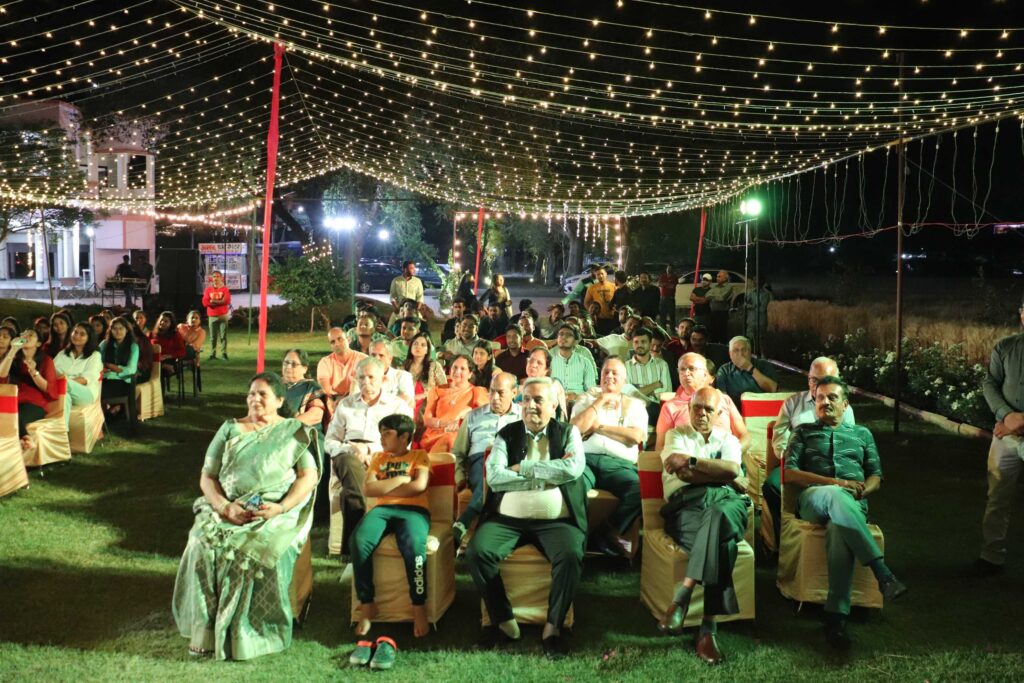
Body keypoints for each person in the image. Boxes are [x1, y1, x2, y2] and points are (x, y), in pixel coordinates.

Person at [172, 372, 320, 660]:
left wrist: (281, 507)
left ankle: (248, 633)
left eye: (263, 394)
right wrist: (224, 507)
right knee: (201, 542)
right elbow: (207, 476)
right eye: (252, 393)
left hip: (273, 510)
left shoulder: (292, 431)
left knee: (259, 550)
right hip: (228, 507)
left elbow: (309, 476)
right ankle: (205, 631)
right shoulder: (230, 429)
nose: (255, 399)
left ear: (279, 400)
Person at [466, 377, 587, 660]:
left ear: (554, 405)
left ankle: (553, 628)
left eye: (538, 400)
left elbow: (572, 469)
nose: (530, 405)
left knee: (571, 554)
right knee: (477, 552)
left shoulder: (569, 432)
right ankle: (504, 621)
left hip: (557, 520)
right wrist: (547, 475)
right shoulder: (506, 434)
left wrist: (524, 468)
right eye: (526, 399)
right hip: (507, 519)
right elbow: (495, 477)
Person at [784, 376, 908, 650]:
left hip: (853, 503)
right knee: (835, 494)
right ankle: (882, 572)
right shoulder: (802, 432)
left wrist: (862, 492)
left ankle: (836, 618)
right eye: (820, 398)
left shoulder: (862, 434)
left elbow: (875, 475)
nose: (825, 402)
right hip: (814, 499)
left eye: (832, 397)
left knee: (838, 528)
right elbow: (789, 473)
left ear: (845, 404)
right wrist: (837, 483)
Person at [657, 387, 750, 665]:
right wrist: (722, 475)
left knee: (719, 513)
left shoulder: (729, 438)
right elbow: (685, 475)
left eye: (709, 409)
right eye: (697, 407)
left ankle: (682, 596)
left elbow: (732, 469)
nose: (702, 413)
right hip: (687, 506)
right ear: (689, 409)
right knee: (724, 542)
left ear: (719, 413)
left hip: (728, 503)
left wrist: (693, 461)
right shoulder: (676, 436)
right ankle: (708, 628)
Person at [351, 413, 433, 642]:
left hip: (414, 511)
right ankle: (367, 603)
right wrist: (400, 480)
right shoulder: (378, 458)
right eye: (381, 434)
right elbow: (369, 490)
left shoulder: (419, 456)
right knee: (358, 540)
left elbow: (419, 486)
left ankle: (419, 605)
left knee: (415, 547)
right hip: (382, 511)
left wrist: (385, 486)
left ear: (404, 436)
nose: (382, 438)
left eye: (387, 434)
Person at [325, 358, 413, 555]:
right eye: (362, 377)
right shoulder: (346, 405)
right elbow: (329, 441)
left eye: (371, 377)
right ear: (356, 379)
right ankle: (360, 546)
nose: (366, 382)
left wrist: (369, 450)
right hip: (347, 454)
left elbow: (404, 442)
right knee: (349, 464)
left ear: (383, 379)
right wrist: (352, 450)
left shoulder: (397, 406)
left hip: (383, 455)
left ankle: (352, 549)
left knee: (350, 491)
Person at [765, 357, 855, 551]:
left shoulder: (844, 408)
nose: (818, 385)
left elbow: (848, 443)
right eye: (814, 380)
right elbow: (779, 436)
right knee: (772, 486)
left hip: (829, 466)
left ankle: (827, 538)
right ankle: (784, 543)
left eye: (826, 380)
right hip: (795, 464)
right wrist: (791, 458)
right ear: (808, 380)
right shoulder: (793, 403)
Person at [570, 357, 647, 556]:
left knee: (639, 488)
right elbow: (575, 429)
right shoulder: (586, 399)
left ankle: (605, 532)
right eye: (606, 372)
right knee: (572, 485)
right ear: (600, 376)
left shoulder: (635, 405)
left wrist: (598, 427)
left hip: (619, 465)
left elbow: (635, 436)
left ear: (624, 380)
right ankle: (577, 537)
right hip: (586, 460)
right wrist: (601, 400)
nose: (610, 376)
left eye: (615, 373)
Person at [978, 302, 1024, 577]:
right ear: (1021, 315)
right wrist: (1006, 415)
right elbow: (990, 383)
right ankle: (991, 556)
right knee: (997, 496)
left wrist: (1018, 422)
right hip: (1006, 437)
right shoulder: (1005, 347)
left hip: (1008, 430)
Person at [452, 373, 522, 546]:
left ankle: (464, 522)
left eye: (501, 393)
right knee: (490, 472)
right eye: (492, 391)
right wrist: (459, 476)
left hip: (509, 464)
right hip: (480, 461)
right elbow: (458, 452)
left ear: (514, 393)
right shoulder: (473, 416)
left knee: (498, 475)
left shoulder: (523, 416)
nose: (495, 397)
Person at [655, 353, 749, 453]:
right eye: (682, 369)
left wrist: (731, 453)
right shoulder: (670, 406)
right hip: (688, 459)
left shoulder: (724, 400)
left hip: (725, 457)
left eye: (691, 368)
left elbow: (744, 436)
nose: (686, 373)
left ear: (705, 374)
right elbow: (660, 447)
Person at [421, 355, 488, 453]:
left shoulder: (477, 392)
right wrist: (445, 423)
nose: (457, 371)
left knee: (450, 438)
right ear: (450, 370)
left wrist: (463, 419)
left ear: (470, 374)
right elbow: (427, 420)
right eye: (455, 367)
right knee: (448, 438)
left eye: (462, 369)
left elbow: (485, 418)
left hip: (461, 435)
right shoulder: (437, 390)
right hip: (434, 435)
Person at [5, 329, 59, 449]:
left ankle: (24, 438)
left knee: (14, 416)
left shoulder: (46, 360)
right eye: (23, 334)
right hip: (14, 398)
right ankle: (25, 439)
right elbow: (2, 377)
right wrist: (12, 350)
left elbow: (49, 389)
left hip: (34, 403)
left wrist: (34, 371)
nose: (26, 336)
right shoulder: (14, 359)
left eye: (31, 335)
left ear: (38, 343)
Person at [714, 336, 779, 410]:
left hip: (763, 410)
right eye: (736, 350)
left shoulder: (764, 365)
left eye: (744, 350)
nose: (740, 354)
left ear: (750, 352)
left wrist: (750, 368)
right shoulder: (724, 371)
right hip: (735, 411)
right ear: (730, 354)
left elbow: (773, 389)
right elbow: (723, 399)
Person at [624, 326, 673, 424]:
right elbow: (628, 395)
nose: (639, 345)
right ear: (632, 344)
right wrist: (655, 385)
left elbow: (666, 393)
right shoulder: (625, 367)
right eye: (636, 342)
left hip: (657, 409)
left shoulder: (662, 365)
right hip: (634, 409)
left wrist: (638, 390)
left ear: (650, 344)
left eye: (643, 342)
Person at [317, 327, 368, 415]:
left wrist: (344, 400)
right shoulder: (325, 362)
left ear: (348, 339)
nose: (337, 344)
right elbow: (325, 386)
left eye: (340, 339)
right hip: (333, 400)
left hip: (358, 402)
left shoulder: (363, 359)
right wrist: (334, 400)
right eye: (333, 342)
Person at [53, 323, 102, 414]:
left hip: (86, 392)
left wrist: (63, 382)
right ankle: (63, 424)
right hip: (62, 390)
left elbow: (86, 379)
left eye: (82, 334)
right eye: (75, 332)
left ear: (89, 338)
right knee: (65, 397)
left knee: (63, 385)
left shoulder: (95, 355)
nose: (76, 336)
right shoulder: (62, 353)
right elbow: (52, 371)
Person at [403, 332, 447, 420]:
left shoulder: (434, 366)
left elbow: (444, 389)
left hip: (427, 406)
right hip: (406, 404)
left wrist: (423, 396)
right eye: (415, 344)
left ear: (427, 350)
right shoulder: (403, 366)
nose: (418, 347)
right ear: (411, 347)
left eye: (423, 345)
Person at [99, 317, 139, 416]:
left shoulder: (133, 346)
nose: (118, 331)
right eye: (115, 329)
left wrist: (110, 366)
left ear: (127, 330)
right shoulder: (104, 344)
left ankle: (104, 415)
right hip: (104, 378)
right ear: (111, 330)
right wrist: (102, 367)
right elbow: (96, 361)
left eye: (121, 328)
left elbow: (131, 369)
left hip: (123, 382)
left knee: (99, 391)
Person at [549, 323, 598, 404]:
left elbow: (591, 390)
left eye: (569, 335)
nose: (563, 337)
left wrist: (577, 396)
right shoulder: (550, 361)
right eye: (561, 334)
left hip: (579, 402)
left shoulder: (584, 362)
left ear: (575, 341)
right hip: (555, 402)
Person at [281, 349, 326, 431]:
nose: (288, 367)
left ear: (304, 369)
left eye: (294, 364)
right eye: (286, 363)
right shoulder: (273, 385)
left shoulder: (312, 388)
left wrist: (287, 428)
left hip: (302, 432)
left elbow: (316, 415)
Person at [519, 347, 568, 419]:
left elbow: (560, 416)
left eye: (539, 363)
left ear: (546, 369)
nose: (533, 365)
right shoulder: (518, 385)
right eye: (531, 361)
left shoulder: (553, 385)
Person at [366, 340, 415, 411]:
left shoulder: (402, 376)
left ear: (390, 359)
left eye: (381, 355)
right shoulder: (362, 377)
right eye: (373, 355)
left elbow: (408, 402)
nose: (376, 358)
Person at [202, 270, 231, 360]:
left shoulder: (225, 289)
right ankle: (212, 354)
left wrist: (213, 301)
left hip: (223, 315)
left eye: (218, 276)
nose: (216, 278)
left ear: (221, 278)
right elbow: (205, 302)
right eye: (214, 276)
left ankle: (224, 353)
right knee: (213, 337)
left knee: (223, 336)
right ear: (212, 278)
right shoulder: (208, 290)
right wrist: (219, 302)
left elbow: (226, 301)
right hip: (212, 316)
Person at [150, 311, 186, 381]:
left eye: (166, 321)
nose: (162, 322)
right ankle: (163, 366)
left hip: (168, 360)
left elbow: (182, 351)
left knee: (158, 370)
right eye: (161, 320)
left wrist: (167, 356)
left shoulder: (175, 335)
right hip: (154, 359)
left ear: (171, 324)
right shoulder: (152, 334)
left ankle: (164, 366)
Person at [744, 275, 773, 355]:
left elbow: (771, 305)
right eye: (755, 280)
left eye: (758, 280)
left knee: (761, 338)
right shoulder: (750, 293)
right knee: (750, 338)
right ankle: (749, 354)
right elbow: (745, 304)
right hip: (751, 319)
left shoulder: (767, 294)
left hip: (761, 319)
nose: (756, 282)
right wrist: (751, 306)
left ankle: (762, 354)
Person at [584, 267, 617, 335]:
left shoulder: (613, 286)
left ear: (606, 274)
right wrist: (592, 313)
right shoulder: (592, 288)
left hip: (612, 318)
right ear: (595, 276)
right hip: (599, 319)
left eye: (602, 273)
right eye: (598, 274)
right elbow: (586, 302)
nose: (600, 276)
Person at [705, 271, 733, 342]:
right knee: (713, 335)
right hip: (713, 313)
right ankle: (714, 347)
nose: (717, 278)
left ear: (725, 278)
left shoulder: (729, 287)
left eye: (719, 276)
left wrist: (712, 296)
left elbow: (722, 297)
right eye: (717, 276)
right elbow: (707, 295)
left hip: (722, 313)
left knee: (722, 334)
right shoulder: (715, 286)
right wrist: (716, 296)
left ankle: (722, 348)